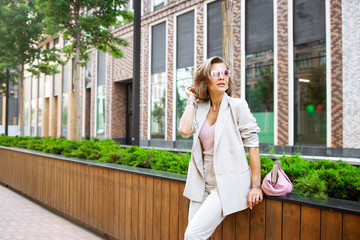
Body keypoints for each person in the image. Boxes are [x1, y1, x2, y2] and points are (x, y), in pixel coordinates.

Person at [179, 56, 263, 239]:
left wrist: (256, 186)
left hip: (228, 181)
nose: (222, 77)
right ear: (205, 79)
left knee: (192, 235)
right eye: (215, 73)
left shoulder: (237, 106)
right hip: (201, 181)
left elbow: (253, 146)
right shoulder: (199, 107)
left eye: (225, 72)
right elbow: (185, 130)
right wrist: (191, 100)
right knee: (193, 235)